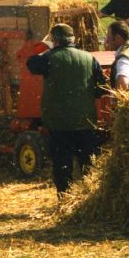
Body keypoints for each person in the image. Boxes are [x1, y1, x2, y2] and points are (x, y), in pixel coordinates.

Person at [26, 23, 107, 197]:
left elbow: (30, 64)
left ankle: (65, 200)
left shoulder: (49, 58)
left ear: (54, 40)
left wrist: (46, 47)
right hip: (86, 122)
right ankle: (90, 200)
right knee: (88, 166)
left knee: (63, 167)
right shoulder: (90, 58)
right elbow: (102, 89)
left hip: (59, 124)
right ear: (73, 40)